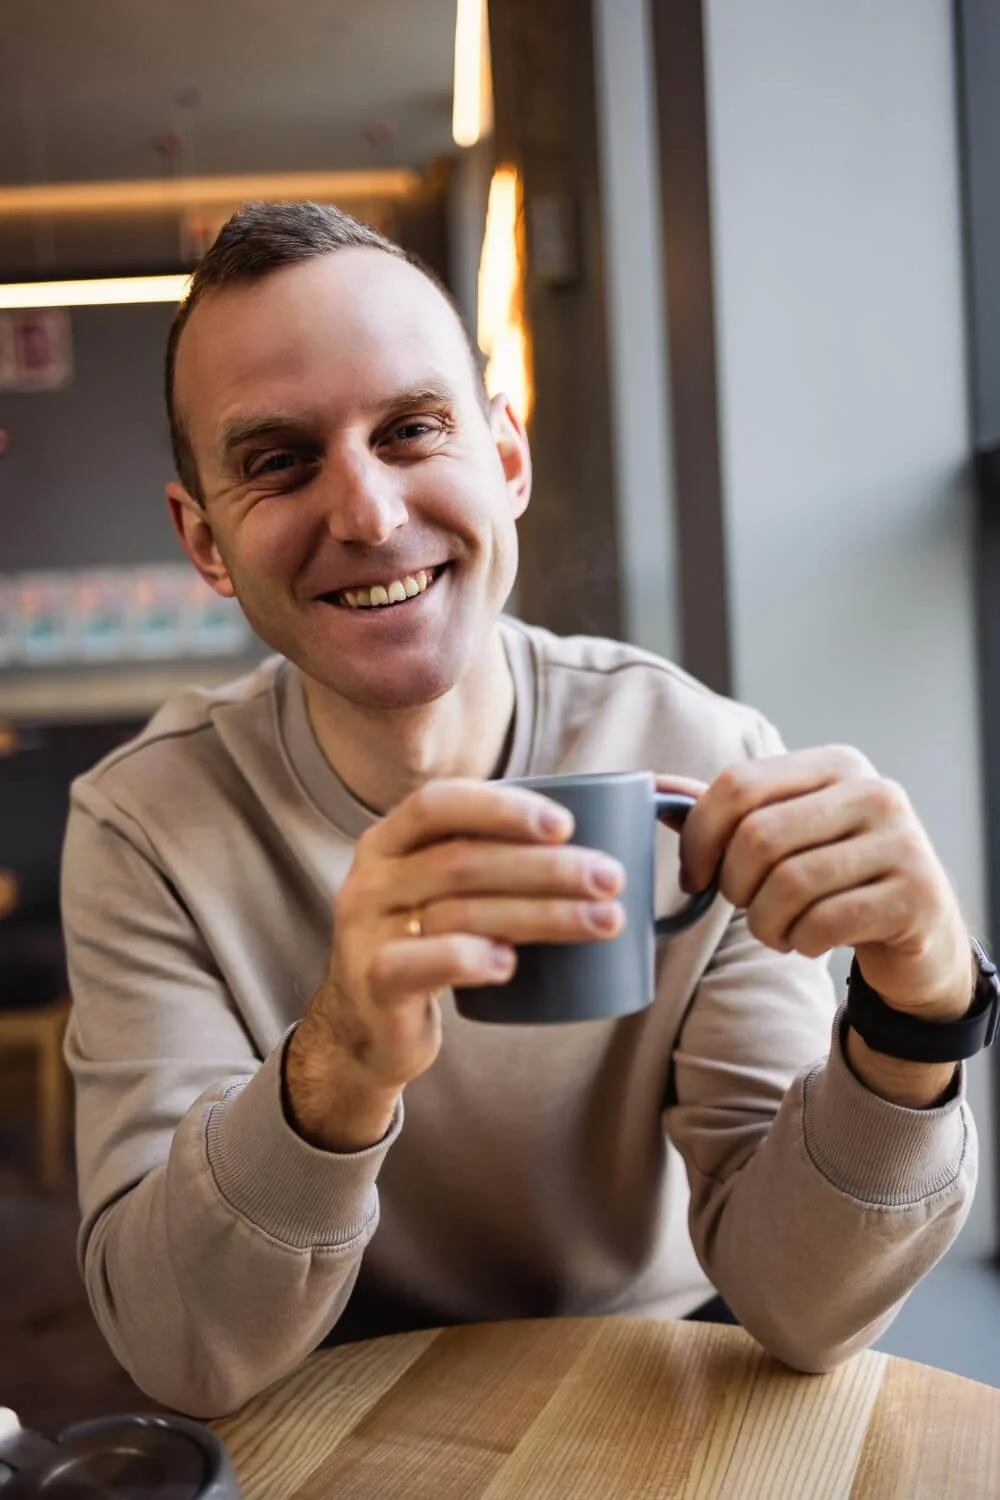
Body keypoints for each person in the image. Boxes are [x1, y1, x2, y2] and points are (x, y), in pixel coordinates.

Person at [63, 201, 982, 1419]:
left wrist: (917, 1014)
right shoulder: (144, 827)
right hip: (326, 1392)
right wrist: (334, 1062)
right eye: (278, 459)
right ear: (206, 542)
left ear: (505, 459)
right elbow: (182, 1349)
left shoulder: (696, 761)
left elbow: (806, 1306)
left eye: (413, 429)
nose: (368, 515)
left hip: (662, 1376)